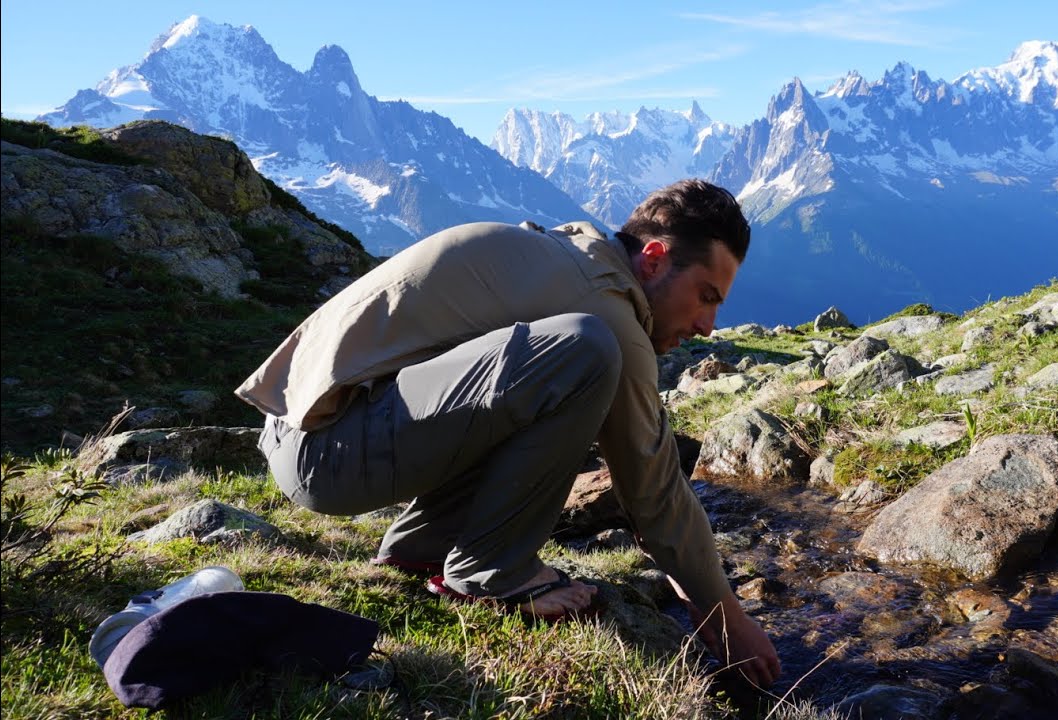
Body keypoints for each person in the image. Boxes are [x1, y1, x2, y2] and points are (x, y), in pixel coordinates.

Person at [235, 179, 782, 688]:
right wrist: (728, 619)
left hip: (313, 432)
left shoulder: (575, 258)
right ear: (655, 260)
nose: (709, 325)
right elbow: (653, 487)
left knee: (550, 382)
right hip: (324, 452)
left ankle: (421, 549)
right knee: (585, 353)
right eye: (707, 295)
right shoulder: (604, 305)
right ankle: (489, 573)